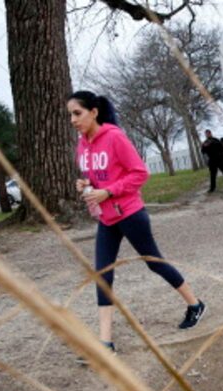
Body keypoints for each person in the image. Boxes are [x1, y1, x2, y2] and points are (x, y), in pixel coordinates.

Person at [67, 90, 206, 356]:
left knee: (154, 262)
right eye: (70, 115)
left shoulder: (115, 137)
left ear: (93, 112)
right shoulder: (82, 144)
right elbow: (98, 175)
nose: (73, 119)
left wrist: (108, 191)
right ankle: (105, 343)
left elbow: (141, 173)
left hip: (130, 213)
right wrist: (87, 184)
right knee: (103, 274)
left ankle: (196, 304)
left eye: (77, 113)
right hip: (107, 218)